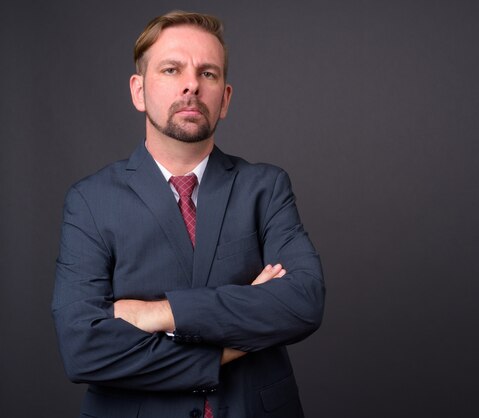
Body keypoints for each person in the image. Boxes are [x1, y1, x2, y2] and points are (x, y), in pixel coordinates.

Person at [52, 10, 324, 418]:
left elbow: (303, 302)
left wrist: (157, 313)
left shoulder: (265, 189)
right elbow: (83, 351)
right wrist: (238, 334)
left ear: (225, 98)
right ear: (138, 91)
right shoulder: (90, 201)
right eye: (171, 69)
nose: (191, 84)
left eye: (208, 74)